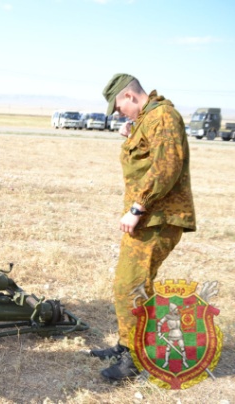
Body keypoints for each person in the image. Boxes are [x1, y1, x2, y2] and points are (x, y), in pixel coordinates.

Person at [90, 74, 196, 381]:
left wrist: (138, 207)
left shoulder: (162, 116)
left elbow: (167, 167)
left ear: (130, 96)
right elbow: (148, 159)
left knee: (131, 285)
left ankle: (135, 358)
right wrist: (132, 131)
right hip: (150, 218)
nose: (118, 113)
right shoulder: (148, 119)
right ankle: (128, 345)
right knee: (132, 284)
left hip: (157, 217)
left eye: (118, 107)